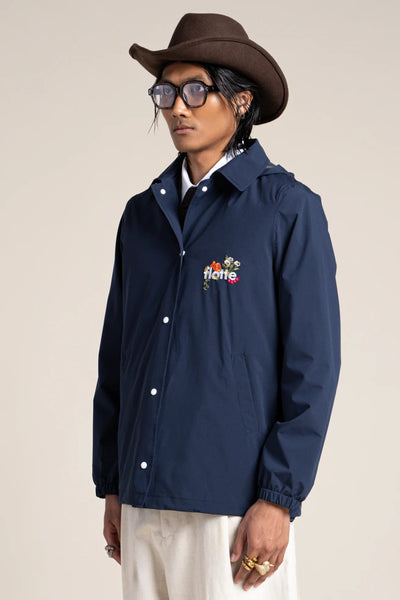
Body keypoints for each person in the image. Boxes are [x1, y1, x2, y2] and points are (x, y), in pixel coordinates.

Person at [92, 12, 341, 599]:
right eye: (166, 92)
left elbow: (313, 367)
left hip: (233, 511)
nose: (177, 108)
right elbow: (117, 360)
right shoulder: (141, 217)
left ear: (241, 101)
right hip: (142, 501)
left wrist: (278, 498)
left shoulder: (286, 209)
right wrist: (114, 484)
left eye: (196, 90)